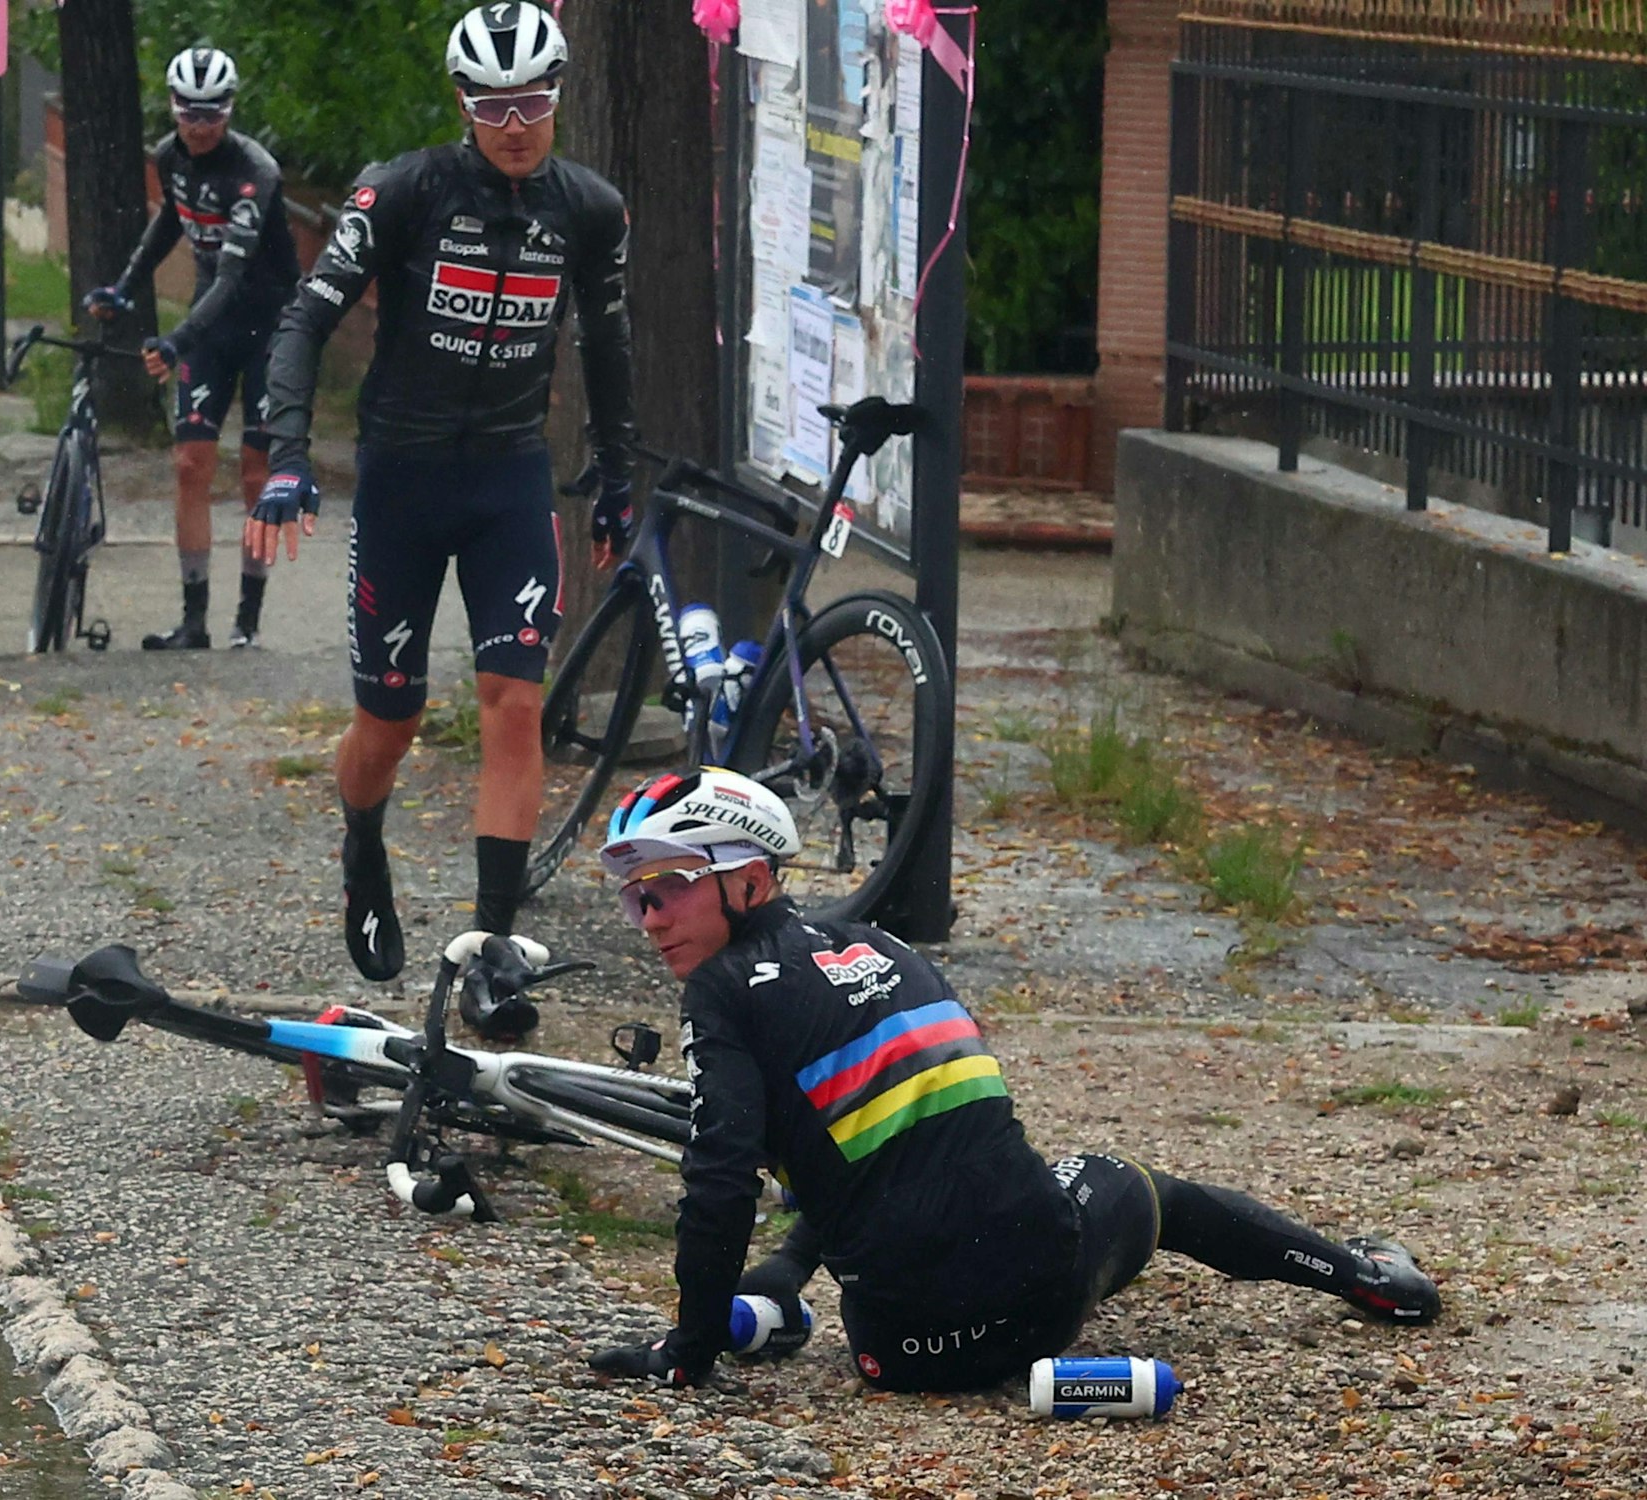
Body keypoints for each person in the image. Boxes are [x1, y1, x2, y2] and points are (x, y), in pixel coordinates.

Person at [584, 768, 1444, 1390]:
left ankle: (770, 1312)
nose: (649, 918)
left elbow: (725, 1179)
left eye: (668, 887)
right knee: (1143, 1186)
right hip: (1044, 1295)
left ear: (750, 880)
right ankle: (1368, 1277)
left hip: (897, 1355)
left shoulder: (721, 992)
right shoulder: (886, 950)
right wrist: (786, 1263)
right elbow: (922, 1145)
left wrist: (690, 1349)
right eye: (635, 896)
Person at [248, 1, 636, 984]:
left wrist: (617, 473)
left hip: (508, 477)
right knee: (391, 722)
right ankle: (361, 843)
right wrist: (287, 456)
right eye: (493, 106)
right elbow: (302, 320)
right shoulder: (403, 192)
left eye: (533, 101)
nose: (515, 125)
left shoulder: (588, 209)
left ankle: (492, 948)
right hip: (403, 479)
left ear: (558, 96)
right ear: (463, 104)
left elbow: (608, 343)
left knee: (514, 704)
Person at [84, 46, 300, 651]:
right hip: (213, 326)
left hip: (269, 325)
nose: (200, 127)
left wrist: (177, 341)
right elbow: (169, 224)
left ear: (230, 109)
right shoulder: (168, 156)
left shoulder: (256, 171)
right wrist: (124, 288)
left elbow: (233, 276)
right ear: (173, 107)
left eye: (213, 114)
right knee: (189, 465)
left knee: (255, 473)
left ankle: (247, 621)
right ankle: (194, 619)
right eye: (189, 113)